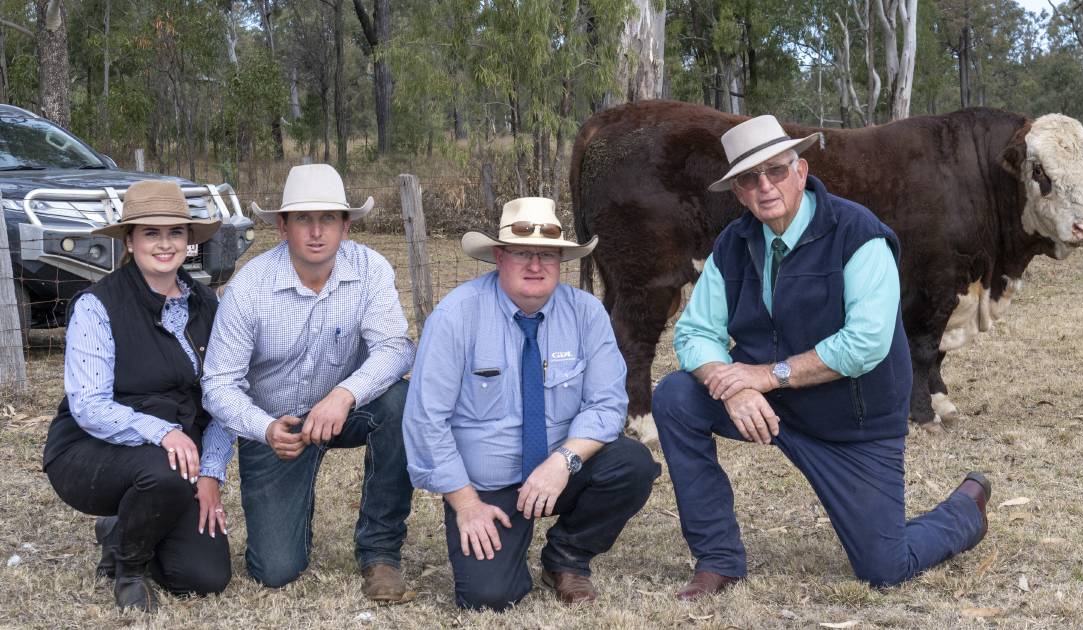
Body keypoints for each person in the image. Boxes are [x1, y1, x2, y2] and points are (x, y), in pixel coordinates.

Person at [651, 115, 992, 599]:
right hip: (773, 406)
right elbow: (694, 333)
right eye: (750, 178)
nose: (765, 186)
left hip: (852, 424)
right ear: (738, 193)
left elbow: (866, 343)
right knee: (675, 396)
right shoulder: (733, 244)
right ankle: (718, 560)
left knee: (885, 567)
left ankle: (964, 511)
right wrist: (734, 385)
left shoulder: (859, 234)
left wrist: (765, 376)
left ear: (801, 170)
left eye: (776, 170)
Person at [403, 197, 661, 611]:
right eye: (523, 253)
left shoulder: (586, 313)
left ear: (561, 261)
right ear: (499, 256)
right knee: (489, 597)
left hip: (560, 472)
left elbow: (608, 404)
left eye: (548, 255)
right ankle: (500, 549)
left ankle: (567, 556)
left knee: (632, 465)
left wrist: (563, 461)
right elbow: (425, 420)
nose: (535, 265)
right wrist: (467, 505)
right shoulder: (455, 317)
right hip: (486, 487)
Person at [201, 164, 416, 601]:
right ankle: (293, 511)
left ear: (346, 226)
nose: (316, 232)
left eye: (328, 219)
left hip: (346, 412)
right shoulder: (249, 287)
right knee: (275, 570)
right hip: (277, 425)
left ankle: (380, 553)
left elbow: (395, 348)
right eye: (303, 219)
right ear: (282, 226)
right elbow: (219, 385)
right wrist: (264, 428)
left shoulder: (370, 269)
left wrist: (344, 395)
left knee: (402, 402)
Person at [43, 180, 233, 612]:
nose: (165, 244)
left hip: (179, 462)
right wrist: (164, 433)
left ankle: (122, 527)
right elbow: (89, 406)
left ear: (189, 241)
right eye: (150, 232)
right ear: (129, 240)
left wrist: (211, 474)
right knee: (164, 472)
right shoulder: (97, 305)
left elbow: (222, 398)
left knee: (205, 578)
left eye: (176, 233)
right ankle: (126, 568)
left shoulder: (207, 304)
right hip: (90, 449)